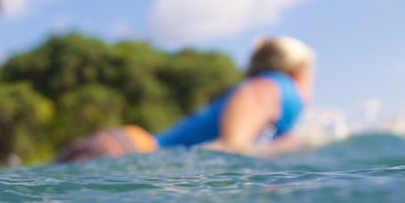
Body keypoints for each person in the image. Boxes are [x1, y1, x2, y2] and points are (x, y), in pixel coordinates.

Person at [55, 35, 316, 163]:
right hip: (136, 149)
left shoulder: (271, 89)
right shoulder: (271, 87)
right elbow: (231, 148)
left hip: (134, 147)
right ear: (299, 70)